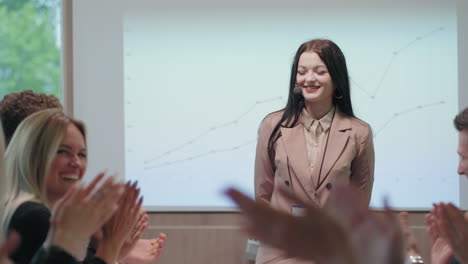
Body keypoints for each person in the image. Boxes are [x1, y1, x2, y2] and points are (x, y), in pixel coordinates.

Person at [0, 90, 166, 264]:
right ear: (30, 150)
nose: (76, 163)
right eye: (62, 151)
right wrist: (111, 245)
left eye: (82, 154)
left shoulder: (24, 207)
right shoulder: (34, 216)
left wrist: (114, 251)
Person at [254, 39, 374, 263]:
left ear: (336, 78)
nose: (309, 79)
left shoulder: (359, 132)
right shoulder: (273, 126)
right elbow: (263, 193)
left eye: (320, 72)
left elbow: (359, 202)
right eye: (302, 72)